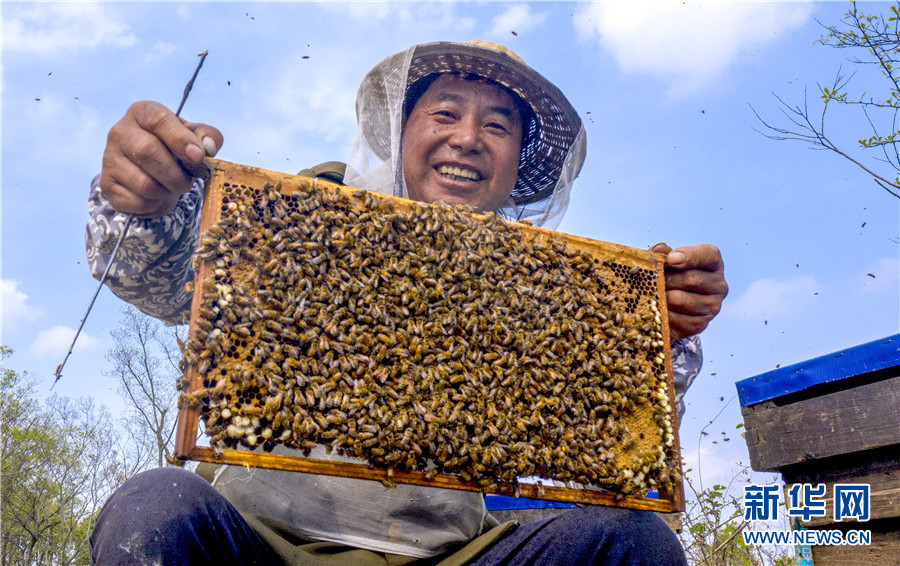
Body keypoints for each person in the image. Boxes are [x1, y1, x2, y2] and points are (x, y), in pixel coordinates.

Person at [87, 41, 727, 565]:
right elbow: (166, 280)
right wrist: (143, 202)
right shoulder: (310, 213)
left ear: (516, 164)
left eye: (497, 125)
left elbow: (613, 445)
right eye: (446, 114)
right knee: (155, 507)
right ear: (401, 130)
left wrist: (655, 333)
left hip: (452, 557)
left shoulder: (540, 288)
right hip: (257, 545)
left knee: (634, 545)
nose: (470, 138)